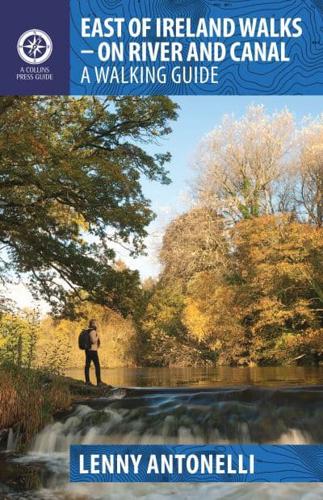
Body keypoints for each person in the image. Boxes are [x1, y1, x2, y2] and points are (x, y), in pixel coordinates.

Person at [84, 319, 104, 386]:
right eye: (95, 323)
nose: (96, 324)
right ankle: (99, 382)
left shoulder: (88, 330)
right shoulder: (92, 331)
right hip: (93, 351)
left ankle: (87, 381)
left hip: (88, 350)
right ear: (92, 324)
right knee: (97, 366)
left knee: (87, 366)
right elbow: (93, 341)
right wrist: (97, 336)